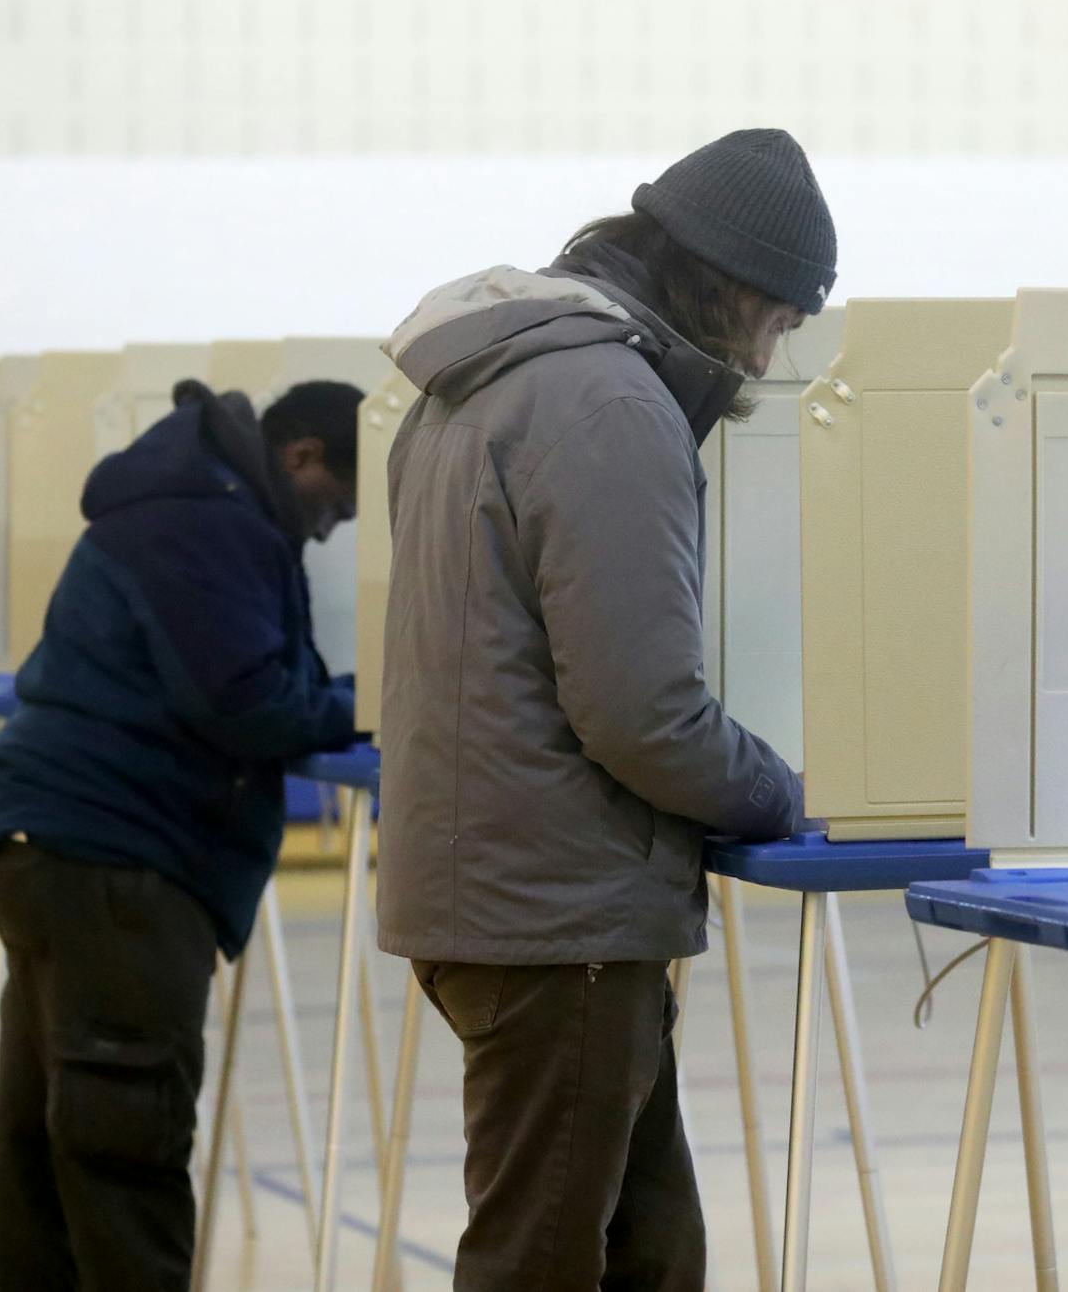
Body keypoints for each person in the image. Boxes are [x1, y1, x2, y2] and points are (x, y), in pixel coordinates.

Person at [375, 128, 836, 1289]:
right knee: (537, 1261)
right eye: (778, 322)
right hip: (560, 917)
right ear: (730, 286)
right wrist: (783, 791)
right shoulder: (612, 405)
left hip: (493, 891)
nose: (771, 361)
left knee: (651, 1252)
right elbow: (643, 714)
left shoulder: (479, 382)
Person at [0, 376, 363, 1291]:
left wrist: (329, 698)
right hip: (120, 857)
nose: (332, 529)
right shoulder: (208, 522)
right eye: (337, 503)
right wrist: (374, 703)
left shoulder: (196, 500)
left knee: (43, 1151)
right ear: (299, 455)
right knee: (123, 1153)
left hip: (55, 844)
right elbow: (248, 700)